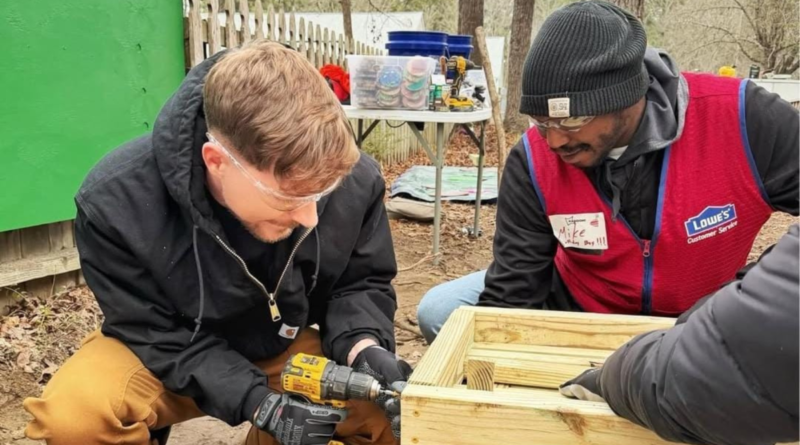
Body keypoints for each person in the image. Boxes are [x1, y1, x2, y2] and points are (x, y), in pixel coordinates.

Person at [23, 41, 410, 445]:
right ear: (217, 161)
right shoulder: (115, 203)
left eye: (321, 194)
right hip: (170, 352)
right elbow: (151, 330)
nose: (310, 217)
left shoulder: (354, 180)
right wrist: (259, 402)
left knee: (382, 411)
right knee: (77, 417)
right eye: (289, 198)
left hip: (281, 344)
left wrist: (363, 346)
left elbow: (360, 283)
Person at [417, 0, 799, 344]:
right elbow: (514, 290)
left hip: (702, 319)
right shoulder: (533, 159)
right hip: (580, 305)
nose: (553, 142)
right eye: (541, 122)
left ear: (628, 97)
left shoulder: (742, 118)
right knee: (440, 311)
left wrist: (750, 291)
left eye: (571, 120)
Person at [560, 224, 799, 445]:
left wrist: (612, 377)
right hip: (593, 319)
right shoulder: (539, 179)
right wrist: (746, 283)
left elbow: (716, 374)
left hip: (658, 364)